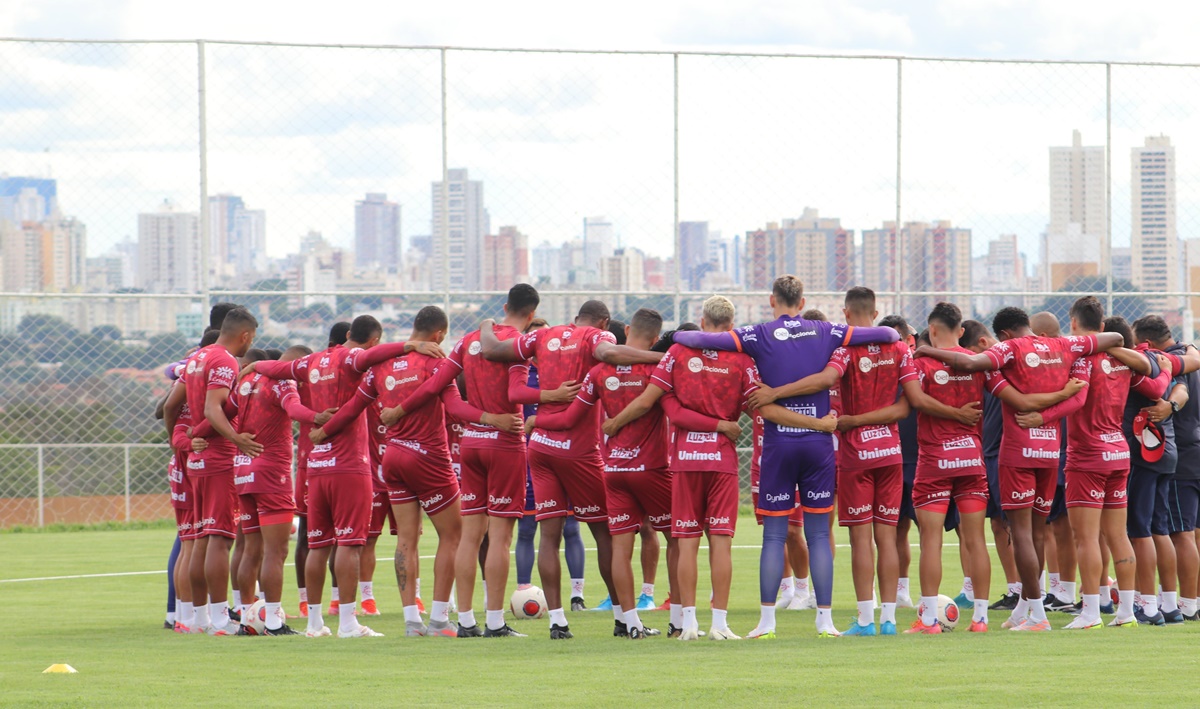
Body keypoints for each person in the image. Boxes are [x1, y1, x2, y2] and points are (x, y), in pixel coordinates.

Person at [676, 276, 900, 637]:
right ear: (802, 300)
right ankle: (824, 620)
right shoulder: (826, 331)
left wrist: (676, 337)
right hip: (818, 445)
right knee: (818, 535)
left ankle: (767, 623)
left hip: (779, 446)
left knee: (774, 536)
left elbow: (697, 338)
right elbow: (888, 336)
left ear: (771, 300)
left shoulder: (756, 334)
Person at [607, 296, 836, 640]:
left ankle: (688, 623)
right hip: (722, 462)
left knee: (685, 542)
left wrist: (613, 424)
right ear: (731, 327)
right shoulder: (742, 360)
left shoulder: (677, 354)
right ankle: (719, 624)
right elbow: (764, 410)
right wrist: (815, 424)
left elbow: (649, 401)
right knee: (720, 543)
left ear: (702, 322)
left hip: (685, 462)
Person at [916, 306, 1123, 631]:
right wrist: (1058, 396)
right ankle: (1025, 608)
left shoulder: (1008, 349)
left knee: (1021, 534)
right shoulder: (1065, 345)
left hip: (1018, 453)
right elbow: (1115, 336)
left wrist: (924, 348)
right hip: (1050, 451)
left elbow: (970, 363)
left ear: (1005, 335)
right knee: (1039, 533)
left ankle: (1038, 616)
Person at [317, 306, 519, 637]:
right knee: (455, 535)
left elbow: (352, 408)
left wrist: (320, 431)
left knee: (406, 541)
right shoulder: (435, 361)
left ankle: (412, 621)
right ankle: (440, 619)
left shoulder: (381, 364)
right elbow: (454, 407)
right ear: (439, 335)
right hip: (428, 457)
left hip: (392, 458)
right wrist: (491, 418)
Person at [384, 284, 566, 638]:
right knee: (499, 538)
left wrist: (399, 410)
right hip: (505, 445)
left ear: (504, 306)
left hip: (471, 444)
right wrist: (543, 399)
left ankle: (465, 621)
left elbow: (440, 391)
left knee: (470, 536)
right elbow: (516, 393)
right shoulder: (518, 344)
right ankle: (495, 623)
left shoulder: (467, 341)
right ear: (531, 315)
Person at [479, 299, 664, 639]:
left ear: (576, 316)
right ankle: (626, 620)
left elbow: (491, 350)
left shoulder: (543, 335)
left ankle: (558, 622)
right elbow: (610, 355)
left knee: (548, 537)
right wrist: (664, 359)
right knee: (606, 534)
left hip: (541, 446)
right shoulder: (595, 337)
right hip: (578, 450)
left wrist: (488, 323)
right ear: (605, 323)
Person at [247, 315, 435, 638]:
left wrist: (254, 368)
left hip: (316, 468)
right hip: (349, 465)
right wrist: (410, 345)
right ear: (373, 340)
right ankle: (348, 623)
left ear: (349, 333)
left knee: (318, 545)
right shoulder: (353, 360)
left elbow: (278, 369)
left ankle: (315, 623)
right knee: (349, 544)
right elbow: (372, 357)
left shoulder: (313, 360)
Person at [750, 287, 911, 636]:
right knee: (886, 537)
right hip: (890, 452)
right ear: (876, 309)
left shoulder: (842, 350)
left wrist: (852, 421)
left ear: (846, 313)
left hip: (851, 453)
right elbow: (906, 406)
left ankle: (864, 620)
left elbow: (826, 379)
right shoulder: (899, 348)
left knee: (851, 539)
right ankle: (888, 620)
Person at [529, 308, 695, 638]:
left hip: (615, 469)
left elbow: (567, 419)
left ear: (628, 329)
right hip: (651, 468)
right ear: (655, 336)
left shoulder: (599, 371)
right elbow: (674, 411)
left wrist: (536, 421)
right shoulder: (658, 367)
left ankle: (630, 623)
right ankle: (678, 621)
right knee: (677, 541)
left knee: (619, 546)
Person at [1029, 301, 1168, 628]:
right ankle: (1127, 612)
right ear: (1102, 324)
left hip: (1086, 456)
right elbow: (1155, 378)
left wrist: (1040, 416)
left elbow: (1069, 397)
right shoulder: (1122, 360)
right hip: (1119, 452)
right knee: (1118, 535)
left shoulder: (1077, 358)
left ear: (1073, 322)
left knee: (1086, 538)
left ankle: (1090, 612)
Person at [202, 345, 328, 636]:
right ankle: (272, 621)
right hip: (272, 473)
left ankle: (248, 616)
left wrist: (198, 434)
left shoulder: (247, 381)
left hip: (243, 471)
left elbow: (222, 411)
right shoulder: (283, 382)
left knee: (251, 548)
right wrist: (316, 417)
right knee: (277, 550)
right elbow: (294, 410)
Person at [162, 307, 260, 636]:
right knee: (219, 539)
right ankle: (220, 620)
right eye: (252, 338)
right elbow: (211, 408)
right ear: (245, 335)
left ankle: (198, 618)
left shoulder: (196, 358)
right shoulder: (224, 361)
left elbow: (170, 406)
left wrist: (181, 443)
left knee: (200, 539)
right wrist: (235, 438)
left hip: (196, 462)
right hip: (218, 458)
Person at [895, 302, 991, 633]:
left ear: (931, 330)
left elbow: (917, 402)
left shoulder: (919, 362)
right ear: (961, 331)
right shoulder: (977, 364)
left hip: (936, 460)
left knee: (931, 541)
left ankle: (929, 620)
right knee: (976, 539)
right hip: (971, 458)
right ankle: (980, 619)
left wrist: (951, 414)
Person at [513, 318, 589, 611]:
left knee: (571, 527)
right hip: (532, 457)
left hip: (566, 452)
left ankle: (577, 596)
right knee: (527, 528)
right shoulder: (520, 373)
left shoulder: (565, 368)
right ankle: (524, 592)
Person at [1128, 315, 1195, 624]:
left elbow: (1179, 393)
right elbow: (1181, 388)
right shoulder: (1185, 356)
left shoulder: (1154, 361)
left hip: (1167, 454)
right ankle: (1178, 603)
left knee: (1163, 532)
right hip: (1177, 453)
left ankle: (1172, 604)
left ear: (1147, 343)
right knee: (1173, 532)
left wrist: (1169, 406)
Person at [959, 320, 1023, 612]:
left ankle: (1035, 589)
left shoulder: (1008, 365)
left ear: (984, 345)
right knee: (999, 523)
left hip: (1009, 454)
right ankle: (1015, 589)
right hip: (987, 454)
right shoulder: (981, 373)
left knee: (1024, 525)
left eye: (972, 355)